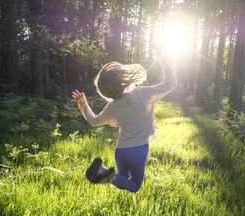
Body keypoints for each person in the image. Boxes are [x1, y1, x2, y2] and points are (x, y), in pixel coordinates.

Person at [71, 58, 177, 193]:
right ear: (122, 78)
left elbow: (94, 121)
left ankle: (104, 173)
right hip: (138, 150)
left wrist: (83, 103)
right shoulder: (144, 93)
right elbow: (171, 83)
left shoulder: (112, 106)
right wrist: (164, 59)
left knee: (122, 179)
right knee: (135, 186)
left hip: (121, 151)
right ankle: (106, 174)